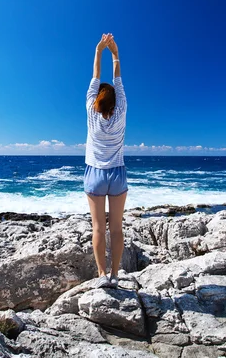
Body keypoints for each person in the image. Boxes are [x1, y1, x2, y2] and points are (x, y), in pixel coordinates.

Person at [84, 33, 128, 288]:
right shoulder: (121, 111)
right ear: (116, 100)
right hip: (118, 174)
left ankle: (102, 276)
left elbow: (95, 77)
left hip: (95, 174)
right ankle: (115, 274)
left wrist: (99, 50)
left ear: (98, 99)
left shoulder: (91, 111)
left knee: (99, 228)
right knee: (117, 229)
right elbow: (117, 81)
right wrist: (115, 54)